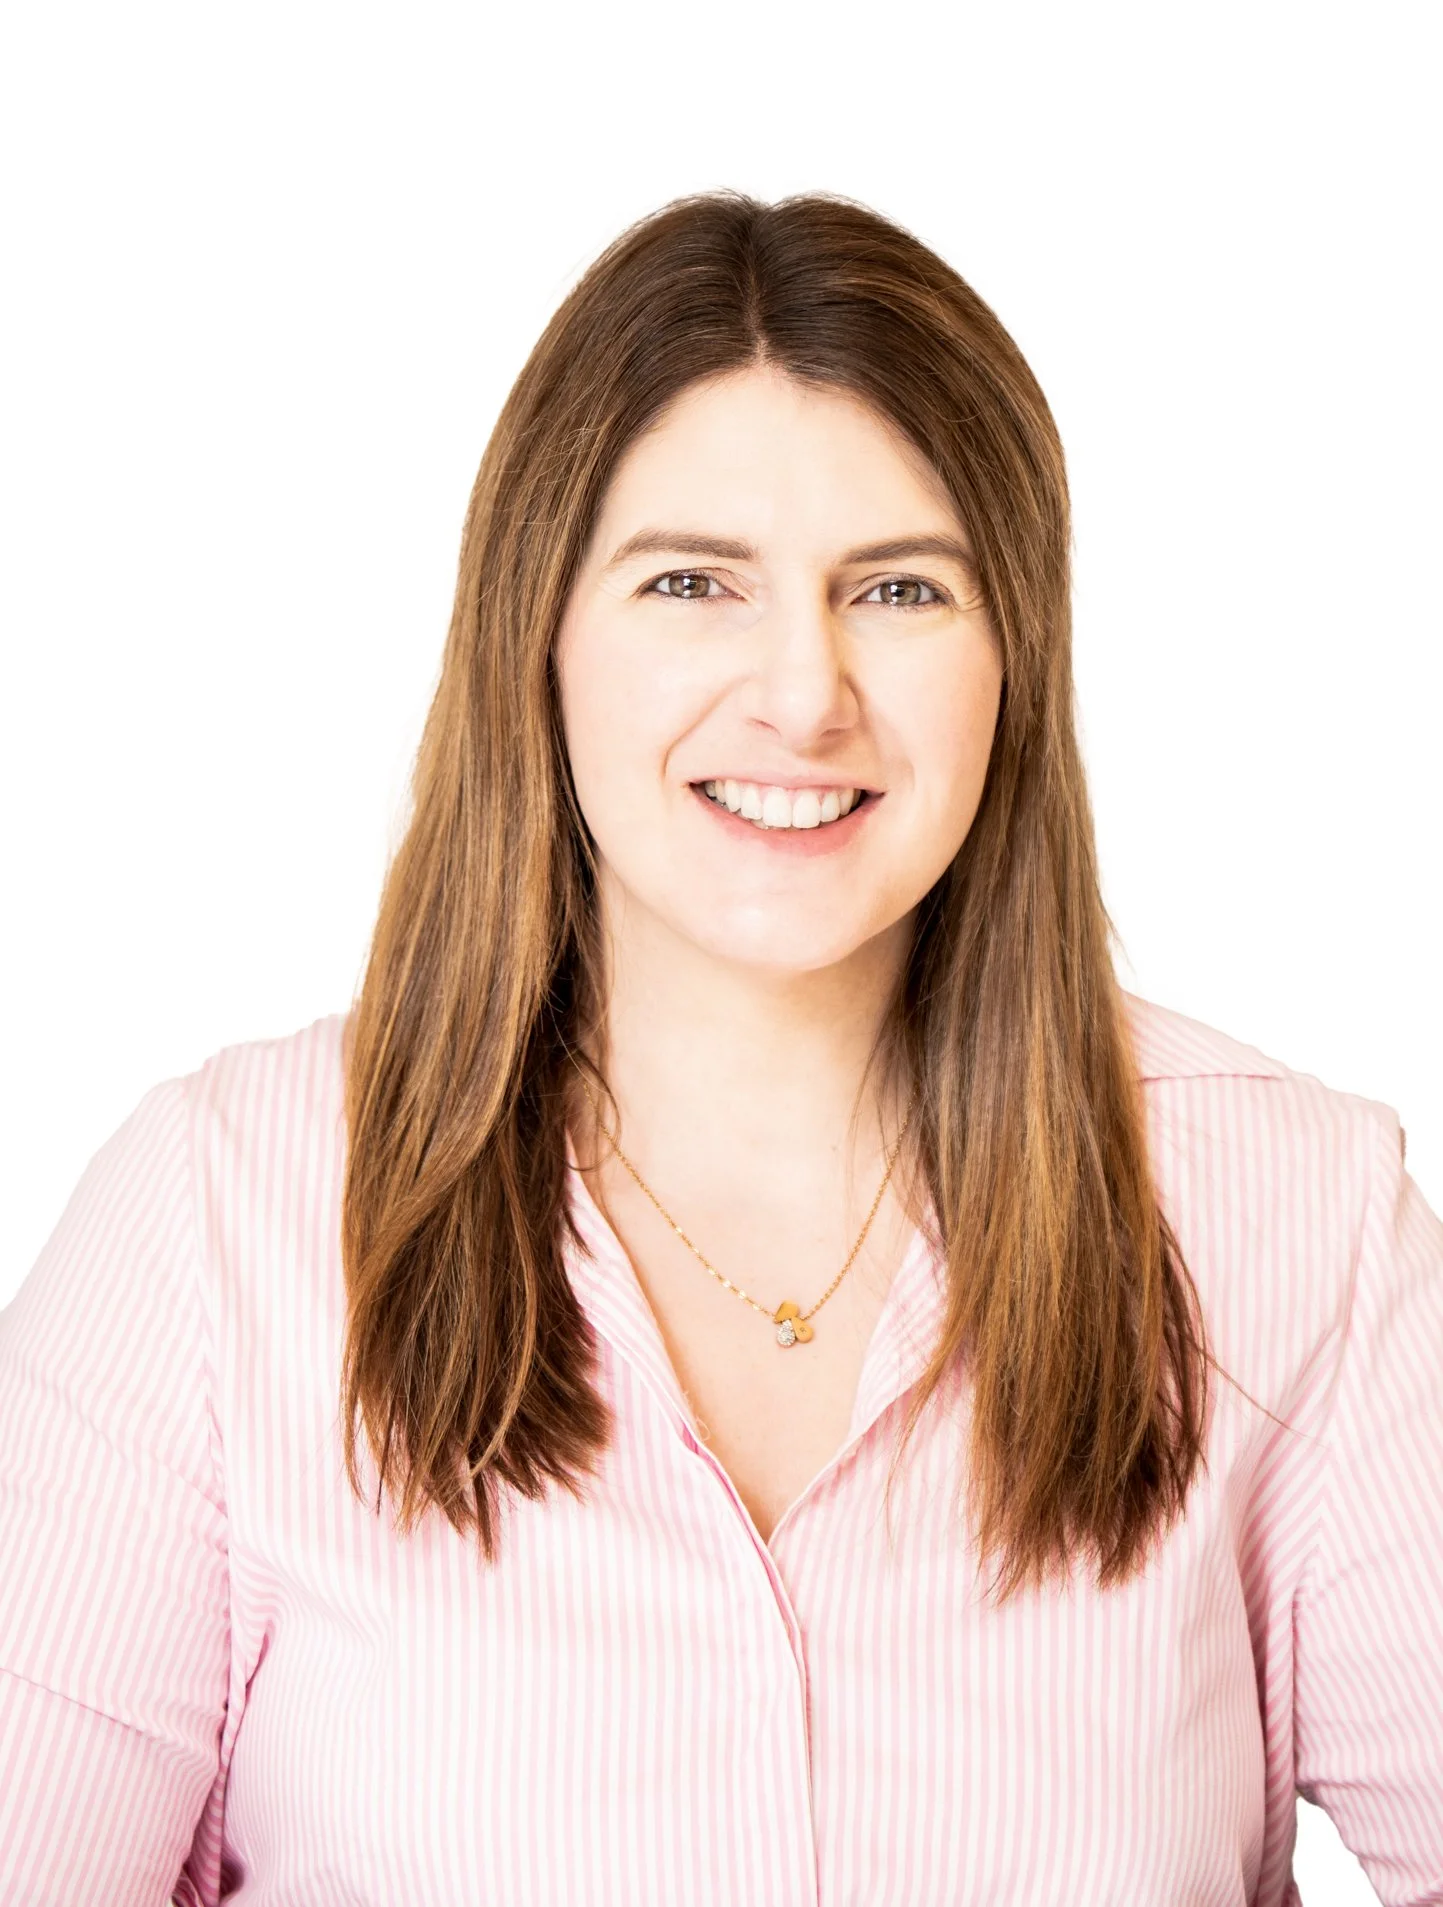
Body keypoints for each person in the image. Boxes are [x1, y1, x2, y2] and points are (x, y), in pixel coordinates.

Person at [1, 188, 1439, 1907]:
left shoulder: (1306, 1221)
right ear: (539, 633)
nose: (802, 691)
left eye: (898, 588)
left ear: (1014, 658)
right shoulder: (214, 1220)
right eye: (691, 581)